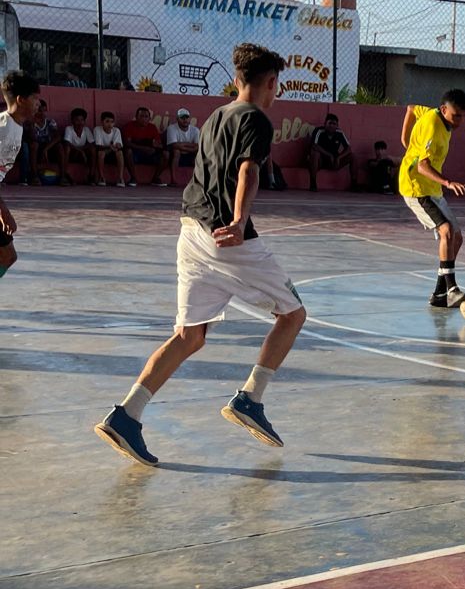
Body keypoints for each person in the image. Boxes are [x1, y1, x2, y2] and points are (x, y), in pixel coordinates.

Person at [94, 43, 307, 467]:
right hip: (226, 238)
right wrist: (241, 219)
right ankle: (250, 399)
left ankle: (126, 415)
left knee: (190, 336)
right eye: (275, 85)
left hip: (190, 232)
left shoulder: (215, 117)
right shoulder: (256, 119)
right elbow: (248, 169)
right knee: (293, 314)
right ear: (270, 84)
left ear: (234, 80)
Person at [399, 90, 465, 308]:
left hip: (432, 190)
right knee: (446, 231)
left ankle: (439, 294)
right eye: (456, 116)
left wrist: (405, 140)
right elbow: (423, 166)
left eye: (463, 116)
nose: (459, 121)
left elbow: (412, 108)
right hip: (416, 188)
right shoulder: (433, 126)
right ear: (444, 110)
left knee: (457, 238)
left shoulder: (436, 114)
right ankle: (451, 289)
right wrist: (449, 183)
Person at [0, 71, 41, 278]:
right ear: (20, 100)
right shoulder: (4, 128)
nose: (38, 104)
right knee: (7, 255)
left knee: (7, 256)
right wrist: (4, 211)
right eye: (35, 98)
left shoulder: (17, 126)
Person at [307, 113, 357, 191]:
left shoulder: (339, 133)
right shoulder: (319, 131)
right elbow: (314, 145)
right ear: (325, 124)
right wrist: (329, 155)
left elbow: (348, 149)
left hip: (334, 161)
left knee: (353, 156)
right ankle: (313, 183)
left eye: (334, 124)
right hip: (321, 161)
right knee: (315, 154)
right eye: (329, 123)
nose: (331, 126)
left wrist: (339, 158)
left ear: (337, 125)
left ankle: (354, 184)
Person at [123, 106, 168, 186]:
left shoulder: (152, 127)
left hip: (149, 153)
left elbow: (159, 144)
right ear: (136, 117)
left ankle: (155, 178)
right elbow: (127, 143)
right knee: (128, 152)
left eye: (146, 116)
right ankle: (133, 178)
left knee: (166, 154)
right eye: (141, 116)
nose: (144, 119)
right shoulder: (129, 126)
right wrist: (143, 148)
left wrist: (155, 147)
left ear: (149, 118)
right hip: (135, 153)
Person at [93, 111, 133, 187]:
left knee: (120, 152)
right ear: (102, 122)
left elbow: (118, 146)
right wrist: (110, 147)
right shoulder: (97, 129)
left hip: (113, 153)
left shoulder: (116, 130)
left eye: (112, 122)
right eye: (107, 121)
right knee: (101, 153)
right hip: (103, 153)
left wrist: (116, 146)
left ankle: (120, 178)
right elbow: (98, 146)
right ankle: (101, 177)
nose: (110, 124)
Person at [25, 100, 59, 184]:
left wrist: (46, 149)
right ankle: (35, 176)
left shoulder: (50, 122)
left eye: (44, 110)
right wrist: (32, 124)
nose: (42, 113)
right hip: (35, 149)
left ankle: (63, 177)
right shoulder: (29, 122)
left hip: (48, 149)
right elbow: (31, 138)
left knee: (60, 147)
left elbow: (58, 137)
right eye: (40, 110)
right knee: (34, 145)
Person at [60, 108, 96, 186]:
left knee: (93, 150)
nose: (80, 123)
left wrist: (82, 150)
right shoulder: (69, 129)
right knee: (67, 148)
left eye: (82, 120)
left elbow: (92, 143)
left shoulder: (86, 130)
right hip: (72, 155)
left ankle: (91, 176)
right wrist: (80, 151)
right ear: (72, 121)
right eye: (77, 120)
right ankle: (65, 175)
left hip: (82, 156)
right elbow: (67, 143)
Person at [165, 107, 200, 180]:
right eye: (182, 118)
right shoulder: (172, 128)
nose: (185, 120)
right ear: (177, 119)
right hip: (176, 154)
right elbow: (174, 145)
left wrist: (181, 145)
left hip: (190, 154)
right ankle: (173, 180)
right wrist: (190, 146)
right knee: (176, 152)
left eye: (187, 118)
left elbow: (197, 146)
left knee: (200, 154)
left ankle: (198, 180)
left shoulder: (195, 130)